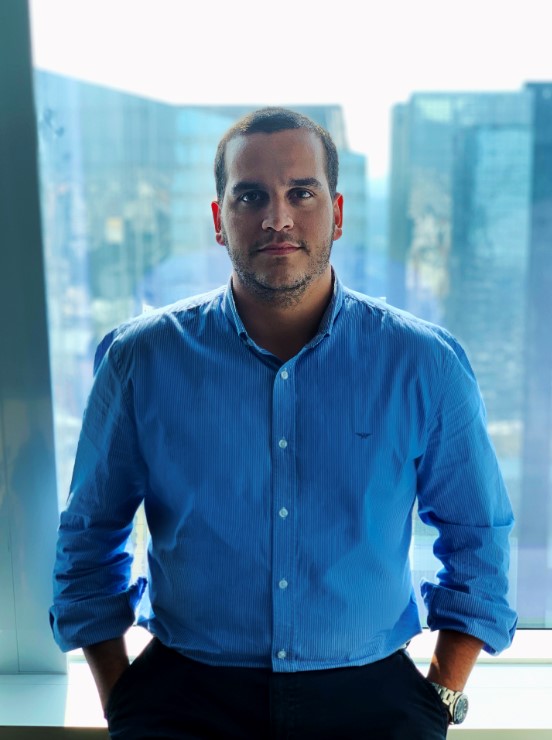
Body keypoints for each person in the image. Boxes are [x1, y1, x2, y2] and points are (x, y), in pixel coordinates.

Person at [50, 108, 517, 739]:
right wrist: (122, 699)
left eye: (302, 193)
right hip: (182, 700)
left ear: (338, 214)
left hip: (374, 701)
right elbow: (88, 537)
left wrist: (441, 694)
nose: (277, 219)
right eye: (250, 197)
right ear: (219, 220)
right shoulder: (140, 360)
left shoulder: (424, 363)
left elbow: (478, 537)